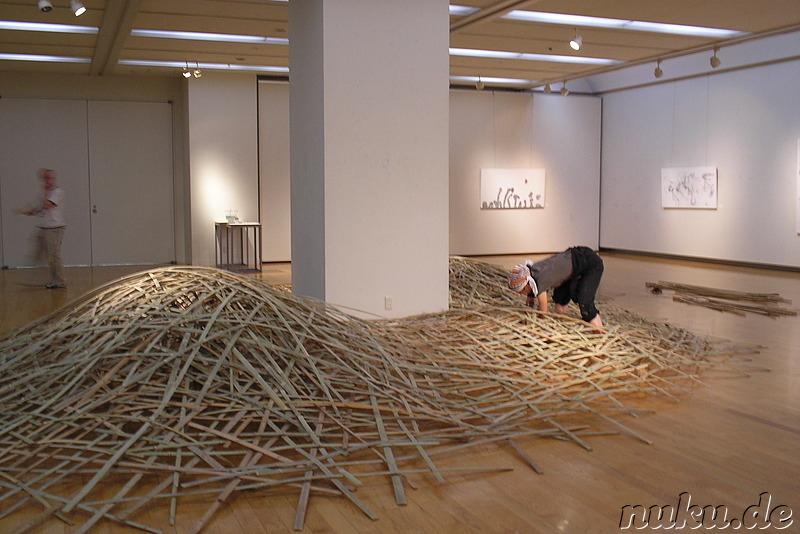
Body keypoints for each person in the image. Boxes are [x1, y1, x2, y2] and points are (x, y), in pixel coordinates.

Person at [507, 246, 603, 327]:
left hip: (589, 263)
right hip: (572, 263)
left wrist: (539, 322)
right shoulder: (532, 271)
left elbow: (543, 310)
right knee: (560, 298)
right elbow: (532, 284)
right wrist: (531, 296)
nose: (521, 294)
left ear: (526, 286)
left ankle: (599, 332)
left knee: (585, 302)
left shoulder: (540, 282)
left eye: (522, 291)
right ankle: (562, 326)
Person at [24, 168, 67, 288]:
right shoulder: (42, 193)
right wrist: (32, 211)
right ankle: (52, 280)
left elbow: (47, 205)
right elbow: (40, 208)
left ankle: (61, 281)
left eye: (48, 178)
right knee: (42, 253)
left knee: (54, 256)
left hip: (55, 228)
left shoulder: (58, 192)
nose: (46, 180)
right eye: (44, 178)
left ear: (53, 179)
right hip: (43, 227)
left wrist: (44, 190)